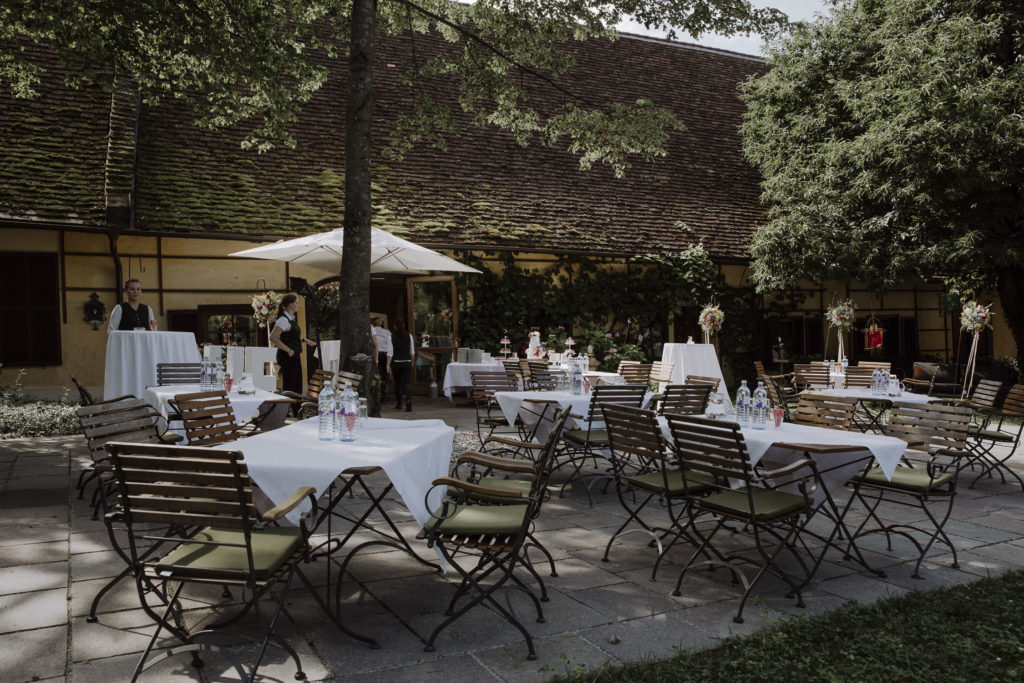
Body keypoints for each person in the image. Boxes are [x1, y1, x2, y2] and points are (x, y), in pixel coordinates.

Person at [268, 294, 316, 415]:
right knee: (290, 385)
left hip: (293, 355)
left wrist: (304, 340)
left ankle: (296, 411)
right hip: (288, 356)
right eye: (297, 303)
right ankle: (283, 413)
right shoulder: (283, 320)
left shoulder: (290, 318)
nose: (298, 305)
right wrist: (288, 350)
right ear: (290, 304)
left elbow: (290, 338)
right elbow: (273, 337)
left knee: (297, 384)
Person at [389, 318, 415, 412]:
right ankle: (409, 401)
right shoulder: (409, 336)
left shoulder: (391, 336)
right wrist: (412, 361)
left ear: (394, 326)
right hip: (407, 361)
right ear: (404, 325)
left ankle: (399, 404)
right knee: (407, 383)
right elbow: (412, 351)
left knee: (398, 383)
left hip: (396, 362)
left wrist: (388, 365)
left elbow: (390, 353)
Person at [371, 317, 392, 402]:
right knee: (384, 374)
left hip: (377, 354)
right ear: (381, 323)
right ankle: (383, 392)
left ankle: (377, 393)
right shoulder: (387, 332)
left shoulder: (372, 330)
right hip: (386, 354)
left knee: (377, 373)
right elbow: (390, 343)